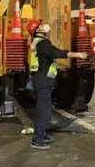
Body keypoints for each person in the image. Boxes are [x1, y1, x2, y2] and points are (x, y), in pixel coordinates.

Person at [27, 19, 87, 150]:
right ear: (38, 30)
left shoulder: (38, 43)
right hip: (43, 82)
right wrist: (78, 54)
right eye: (41, 25)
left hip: (41, 80)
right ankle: (37, 140)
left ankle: (42, 135)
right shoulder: (42, 43)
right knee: (43, 112)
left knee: (44, 110)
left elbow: (52, 53)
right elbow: (57, 53)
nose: (44, 25)